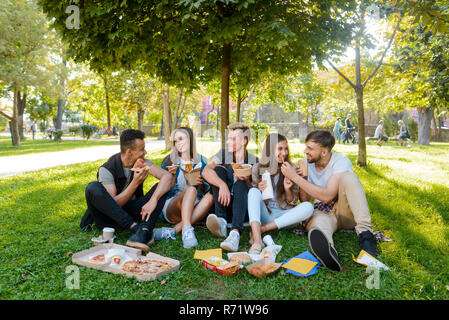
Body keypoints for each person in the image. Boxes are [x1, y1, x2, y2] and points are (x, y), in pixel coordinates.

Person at [280, 130, 378, 272]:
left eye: (310, 149)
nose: (305, 151)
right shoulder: (306, 163)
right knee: (319, 225)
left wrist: (295, 178)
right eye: (306, 147)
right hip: (323, 212)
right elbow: (305, 200)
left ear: (324, 152)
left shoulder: (340, 162)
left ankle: (366, 236)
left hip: (344, 211)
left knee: (349, 177)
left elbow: (327, 196)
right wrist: (303, 179)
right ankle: (329, 252)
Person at [80, 129, 172, 252]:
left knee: (161, 187)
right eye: (142, 149)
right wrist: (135, 183)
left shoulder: (142, 162)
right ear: (129, 152)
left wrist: (153, 200)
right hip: (109, 220)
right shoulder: (107, 169)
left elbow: (167, 177)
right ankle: (137, 228)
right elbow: (112, 206)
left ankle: (144, 230)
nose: (145, 152)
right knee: (92, 187)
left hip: (133, 212)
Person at [247, 133, 314, 254]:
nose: (284, 153)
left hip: (285, 217)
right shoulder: (258, 168)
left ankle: (262, 229)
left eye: (286, 149)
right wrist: (258, 188)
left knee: (308, 207)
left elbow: (293, 202)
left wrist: (288, 188)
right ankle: (257, 241)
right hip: (266, 213)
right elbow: (254, 201)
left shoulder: (291, 168)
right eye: (280, 149)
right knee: (253, 191)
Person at [201, 122, 258, 252]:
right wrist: (222, 185)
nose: (228, 142)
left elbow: (257, 194)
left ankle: (235, 233)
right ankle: (221, 221)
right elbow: (205, 171)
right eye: (228, 138)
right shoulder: (224, 154)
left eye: (232, 139)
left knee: (240, 183)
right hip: (225, 205)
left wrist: (248, 180)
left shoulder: (254, 161)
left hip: (243, 211)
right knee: (218, 171)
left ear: (244, 141)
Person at [156, 127, 214, 249]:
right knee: (191, 190)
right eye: (175, 141)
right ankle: (187, 230)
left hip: (193, 205)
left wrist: (201, 184)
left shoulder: (201, 160)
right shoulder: (170, 160)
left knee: (209, 198)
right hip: (173, 205)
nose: (178, 144)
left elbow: (205, 190)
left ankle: (173, 231)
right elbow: (164, 189)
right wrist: (171, 175)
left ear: (190, 140)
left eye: (181, 139)